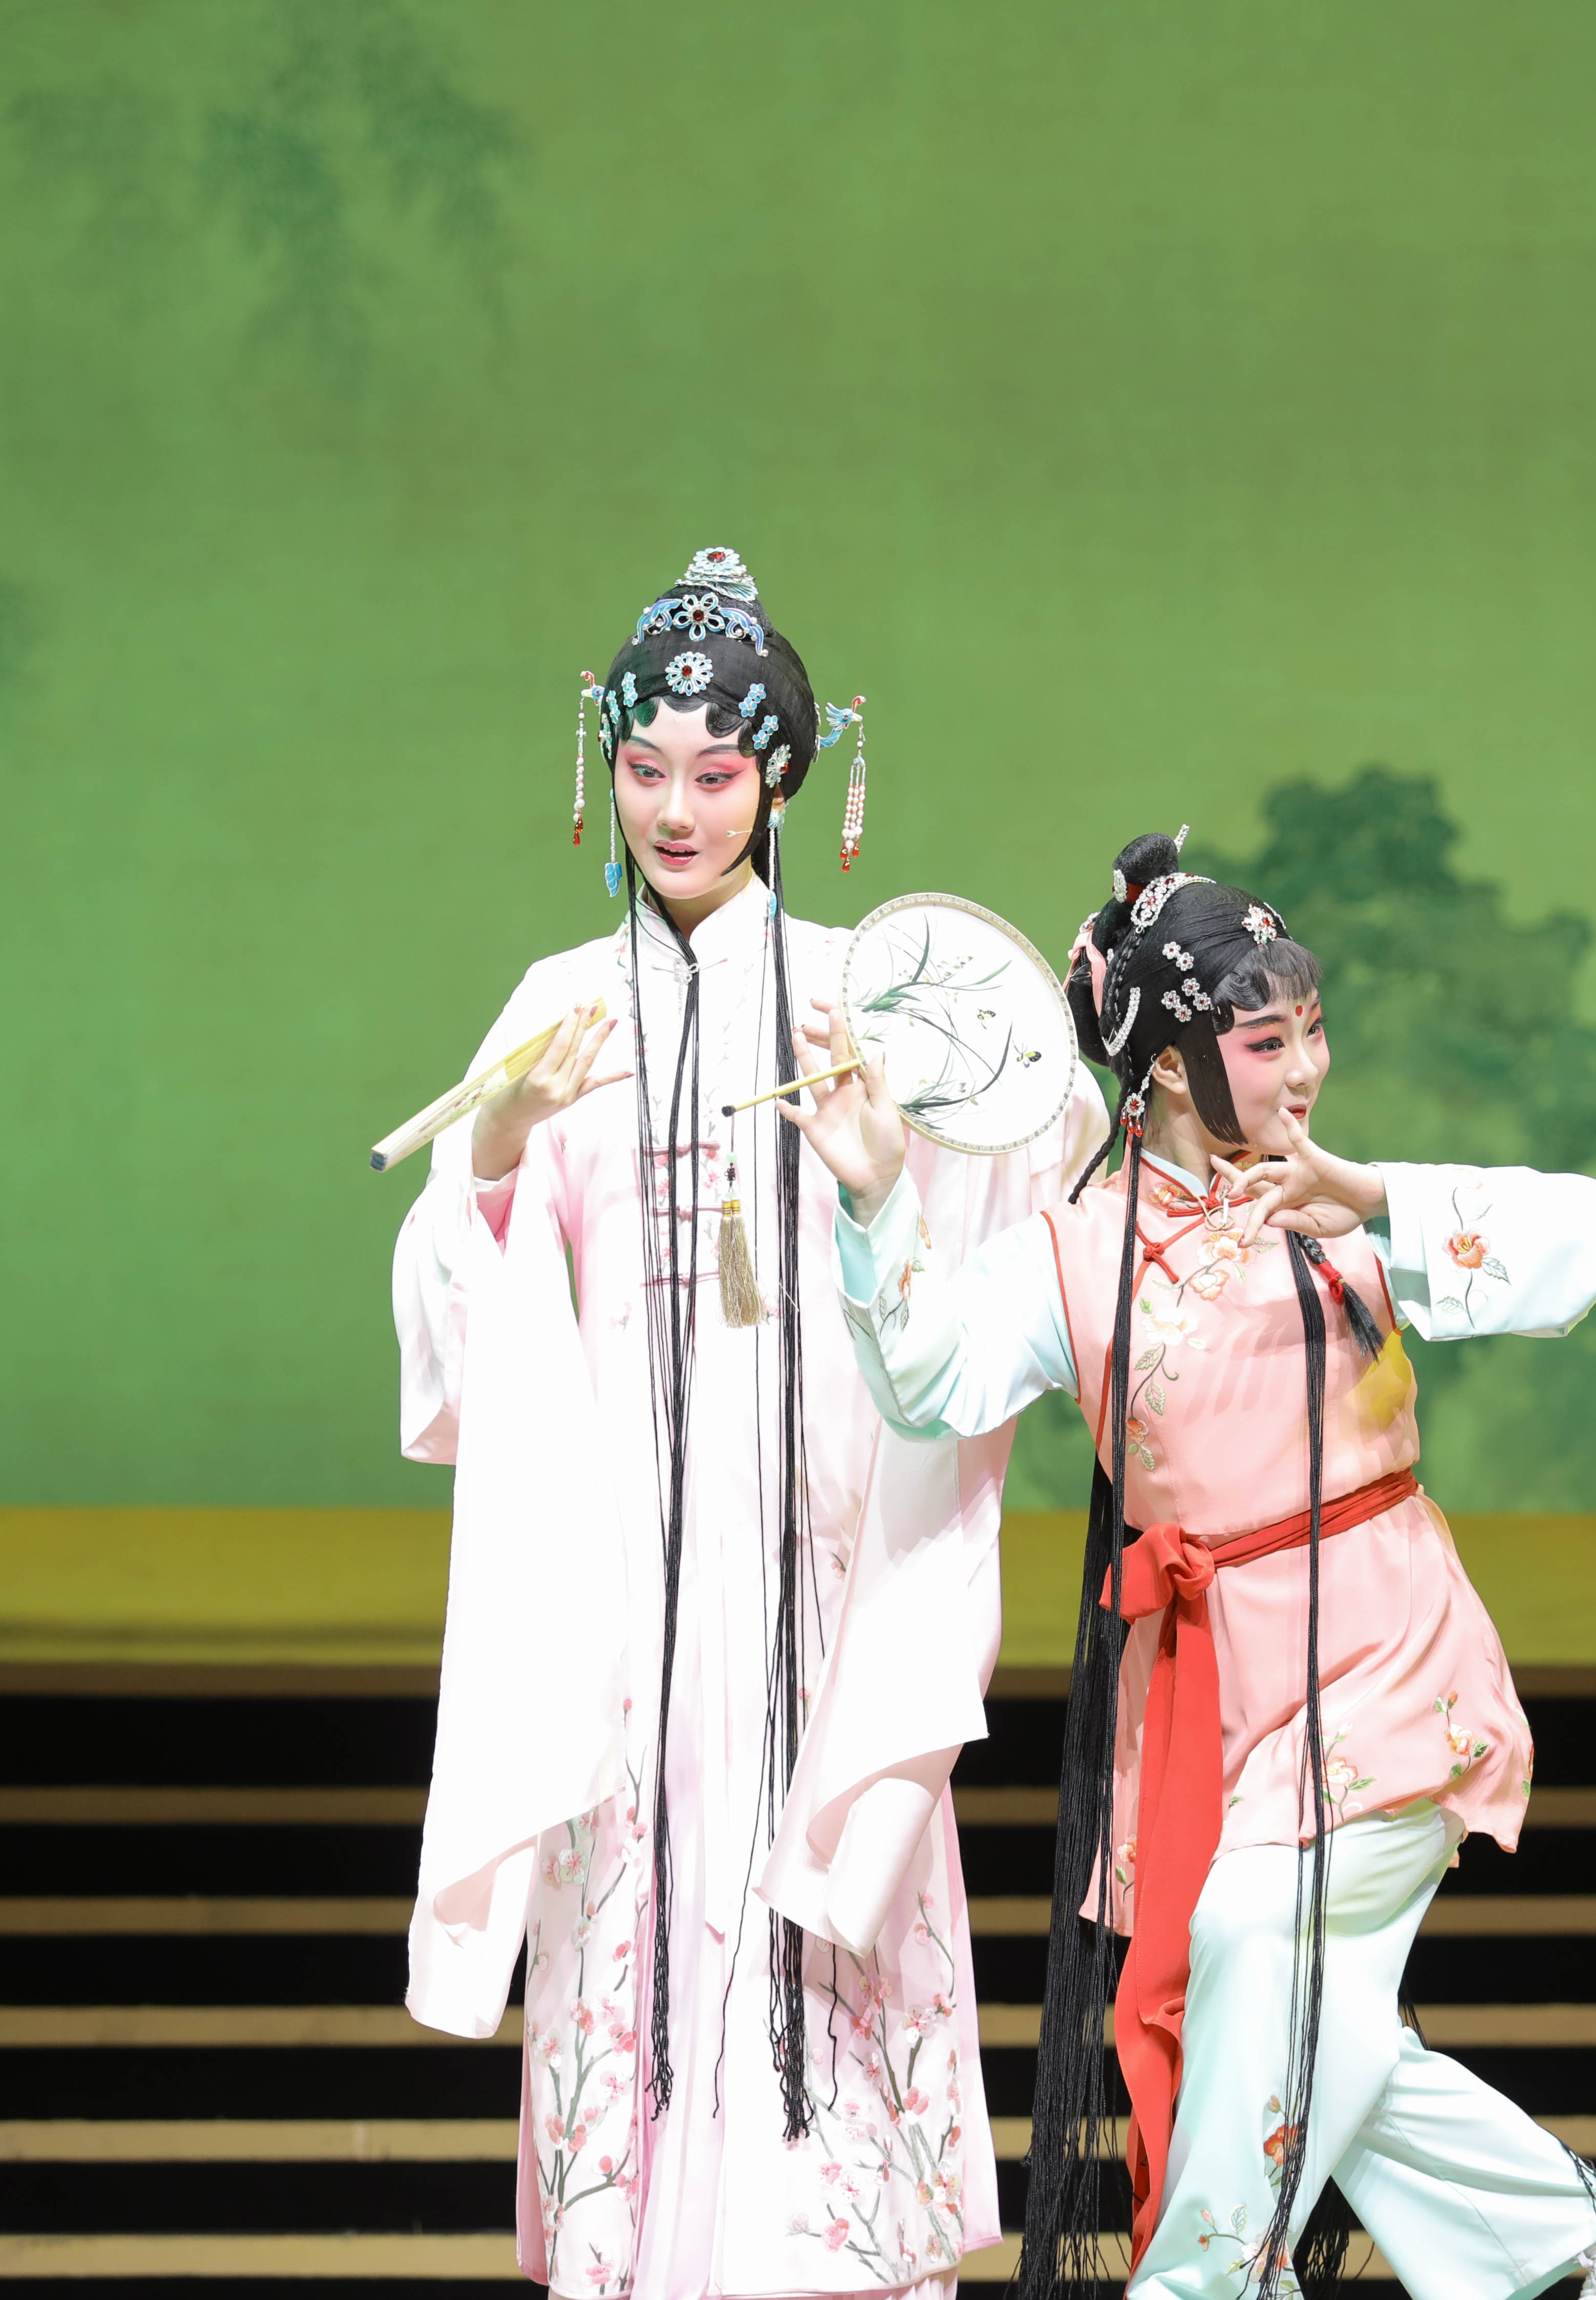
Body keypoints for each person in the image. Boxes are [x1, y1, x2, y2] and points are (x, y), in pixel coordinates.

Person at [782, 832, 1596, 2300]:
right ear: (1165, 1064)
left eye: (1312, 1032)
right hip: (1218, 1706)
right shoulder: (1076, 1252)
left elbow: (1584, 1244)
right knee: (1299, 2027)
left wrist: (1380, 1196)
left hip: (1389, 1663)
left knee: (1252, 1938)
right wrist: (878, 1195)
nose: (1308, 1071)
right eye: (1268, 1042)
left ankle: (1201, 2288)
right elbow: (927, 1380)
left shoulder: (1330, 1208)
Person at [390, 547, 1104, 2298]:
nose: (676, 810)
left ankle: (831, 2251)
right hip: (627, 1559)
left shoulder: (863, 993)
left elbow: (1042, 1160)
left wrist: (905, 1150)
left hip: (824, 1543)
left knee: (819, 1902)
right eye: (646, 771)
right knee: (633, 1903)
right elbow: (452, 1300)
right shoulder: (556, 1001)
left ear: (783, 778)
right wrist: (497, 1155)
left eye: (716, 775)